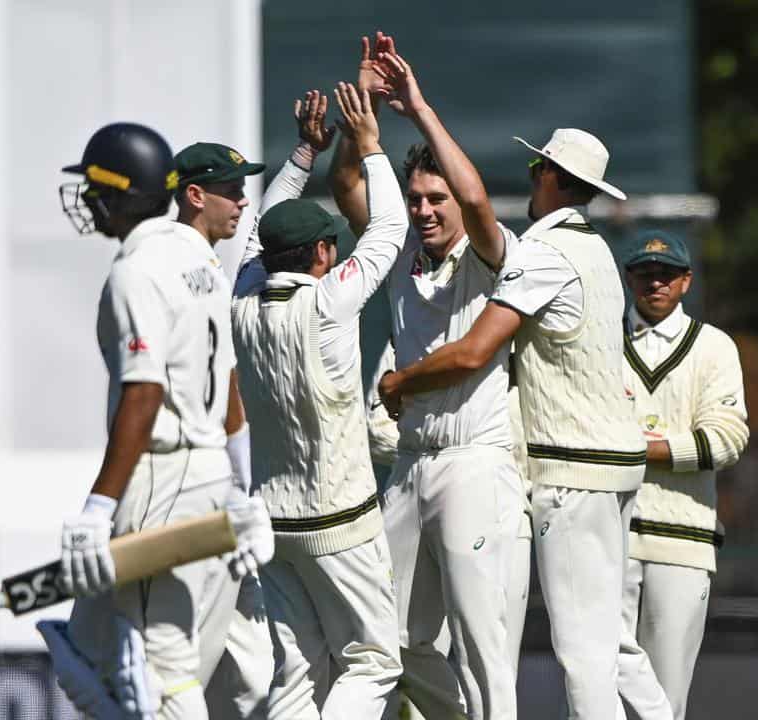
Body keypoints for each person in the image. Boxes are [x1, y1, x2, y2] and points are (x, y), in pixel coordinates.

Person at [379, 127, 669, 719]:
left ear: (547, 175)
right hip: (608, 466)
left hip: (573, 471)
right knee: (606, 645)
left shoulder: (544, 252)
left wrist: (400, 382)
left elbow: (471, 351)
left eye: (537, 167)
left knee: (584, 655)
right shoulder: (594, 250)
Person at [47, 121, 273, 720]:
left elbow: (143, 396)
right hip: (206, 478)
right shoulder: (199, 263)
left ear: (124, 192)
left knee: (159, 672)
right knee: (95, 662)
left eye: (97, 187)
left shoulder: (137, 270)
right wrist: (240, 484)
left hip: (162, 480)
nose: (90, 200)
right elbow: (226, 382)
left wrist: (99, 508)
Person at [330, 41, 526, 720]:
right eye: (415, 199)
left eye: (433, 198)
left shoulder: (488, 254)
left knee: (480, 640)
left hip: (474, 465)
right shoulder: (403, 248)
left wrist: (416, 107)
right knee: (389, 637)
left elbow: (474, 197)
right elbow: (347, 189)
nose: (424, 211)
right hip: (410, 466)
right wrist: (361, 130)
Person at [231, 82, 407, 719]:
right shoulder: (330, 301)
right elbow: (390, 224)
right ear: (325, 254)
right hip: (340, 519)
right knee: (374, 661)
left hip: (275, 522)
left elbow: (259, 234)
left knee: (298, 671)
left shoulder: (242, 300)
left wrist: (306, 152)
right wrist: (370, 146)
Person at [174, 90, 339, 720]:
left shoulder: (220, 272)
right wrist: (240, 490)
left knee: (252, 676)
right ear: (195, 195)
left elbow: (266, 226)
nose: (242, 200)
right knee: (181, 665)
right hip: (199, 493)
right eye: (229, 190)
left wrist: (303, 153)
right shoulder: (170, 265)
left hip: (241, 497)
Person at [615, 230, 748, 720]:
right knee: (593, 689)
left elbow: (727, 440)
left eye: (667, 274)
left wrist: (638, 450)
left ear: (686, 281)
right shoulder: (600, 342)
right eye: (646, 273)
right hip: (608, 535)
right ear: (628, 278)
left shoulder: (713, 347)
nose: (656, 283)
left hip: (684, 538)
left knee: (666, 698)